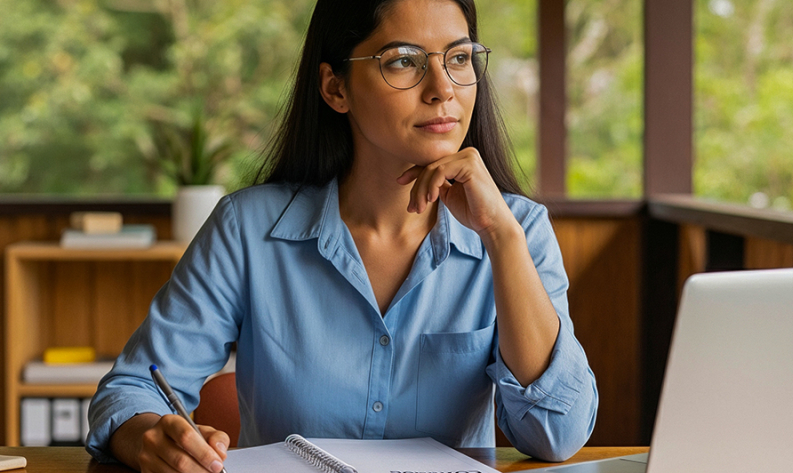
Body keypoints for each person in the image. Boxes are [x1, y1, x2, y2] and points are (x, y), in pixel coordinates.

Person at [86, 0, 599, 471]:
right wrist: (150, 437)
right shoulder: (247, 229)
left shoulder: (518, 230)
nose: (443, 87)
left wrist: (500, 238)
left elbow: (555, 433)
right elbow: (132, 389)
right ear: (335, 88)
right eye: (404, 60)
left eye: (459, 59)